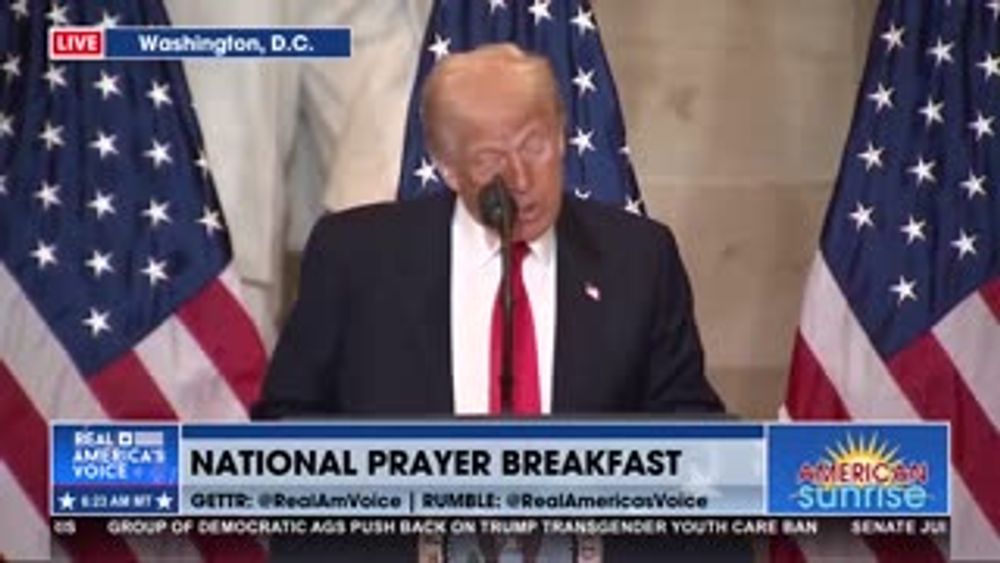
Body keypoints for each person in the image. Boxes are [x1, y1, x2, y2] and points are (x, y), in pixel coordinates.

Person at [254, 43, 745, 562]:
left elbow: (692, 443)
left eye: (534, 146)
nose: (521, 182)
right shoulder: (356, 258)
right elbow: (288, 434)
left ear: (560, 136)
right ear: (446, 167)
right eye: (490, 158)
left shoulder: (638, 260)